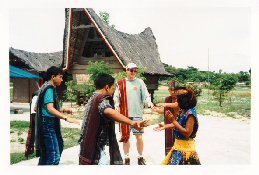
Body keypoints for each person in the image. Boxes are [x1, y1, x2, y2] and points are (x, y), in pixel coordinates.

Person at [78, 73, 149, 165]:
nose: (113, 91)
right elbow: (108, 111)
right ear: (107, 87)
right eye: (112, 88)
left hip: (88, 143)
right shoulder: (102, 99)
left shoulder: (93, 97)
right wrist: (132, 123)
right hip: (95, 146)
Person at [35, 66, 80, 165]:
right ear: (53, 77)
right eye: (60, 77)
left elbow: (38, 107)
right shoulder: (49, 89)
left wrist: (64, 110)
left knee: (46, 155)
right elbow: (50, 109)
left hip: (45, 123)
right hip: (47, 124)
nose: (62, 79)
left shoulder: (44, 87)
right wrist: (66, 118)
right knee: (54, 156)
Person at [113, 63, 154, 165]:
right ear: (126, 70)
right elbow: (116, 97)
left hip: (137, 115)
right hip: (124, 115)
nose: (133, 72)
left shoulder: (140, 82)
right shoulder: (120, 83)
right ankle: (126, 157)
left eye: (135, 70)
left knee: (139, 137)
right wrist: (116, 105)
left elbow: (146, 95)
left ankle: (140, 157)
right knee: (125, 138)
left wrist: (149, 102)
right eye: (131, 70)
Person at [155, 86, 201, 165]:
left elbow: (187, 133)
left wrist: (173, 120)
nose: (176, 100)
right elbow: (178, 124)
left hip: (186, 150)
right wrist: (164, 126)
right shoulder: (183, 110)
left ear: (184, 99)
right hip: (178, 147)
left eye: (178, 98)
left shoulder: (190, 114)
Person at [152, 80, 180, 155]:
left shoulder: (181, 99)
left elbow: (176, 105)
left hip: (179, 125)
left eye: (175, 90)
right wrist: (157, 110)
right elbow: (165, 110)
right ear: (168, 90)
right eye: (171, 90)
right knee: (169, 147)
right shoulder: (168, 99)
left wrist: (164, 104)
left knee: (179, 148)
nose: (173, 92)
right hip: (168, 125)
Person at [25, 89, 40, 158]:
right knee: (37, 132)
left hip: (33, 112)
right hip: (36, 112)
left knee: (32, 131)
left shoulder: (37, 93)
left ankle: (29, 149)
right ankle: (37, 151)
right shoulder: (43, 91)